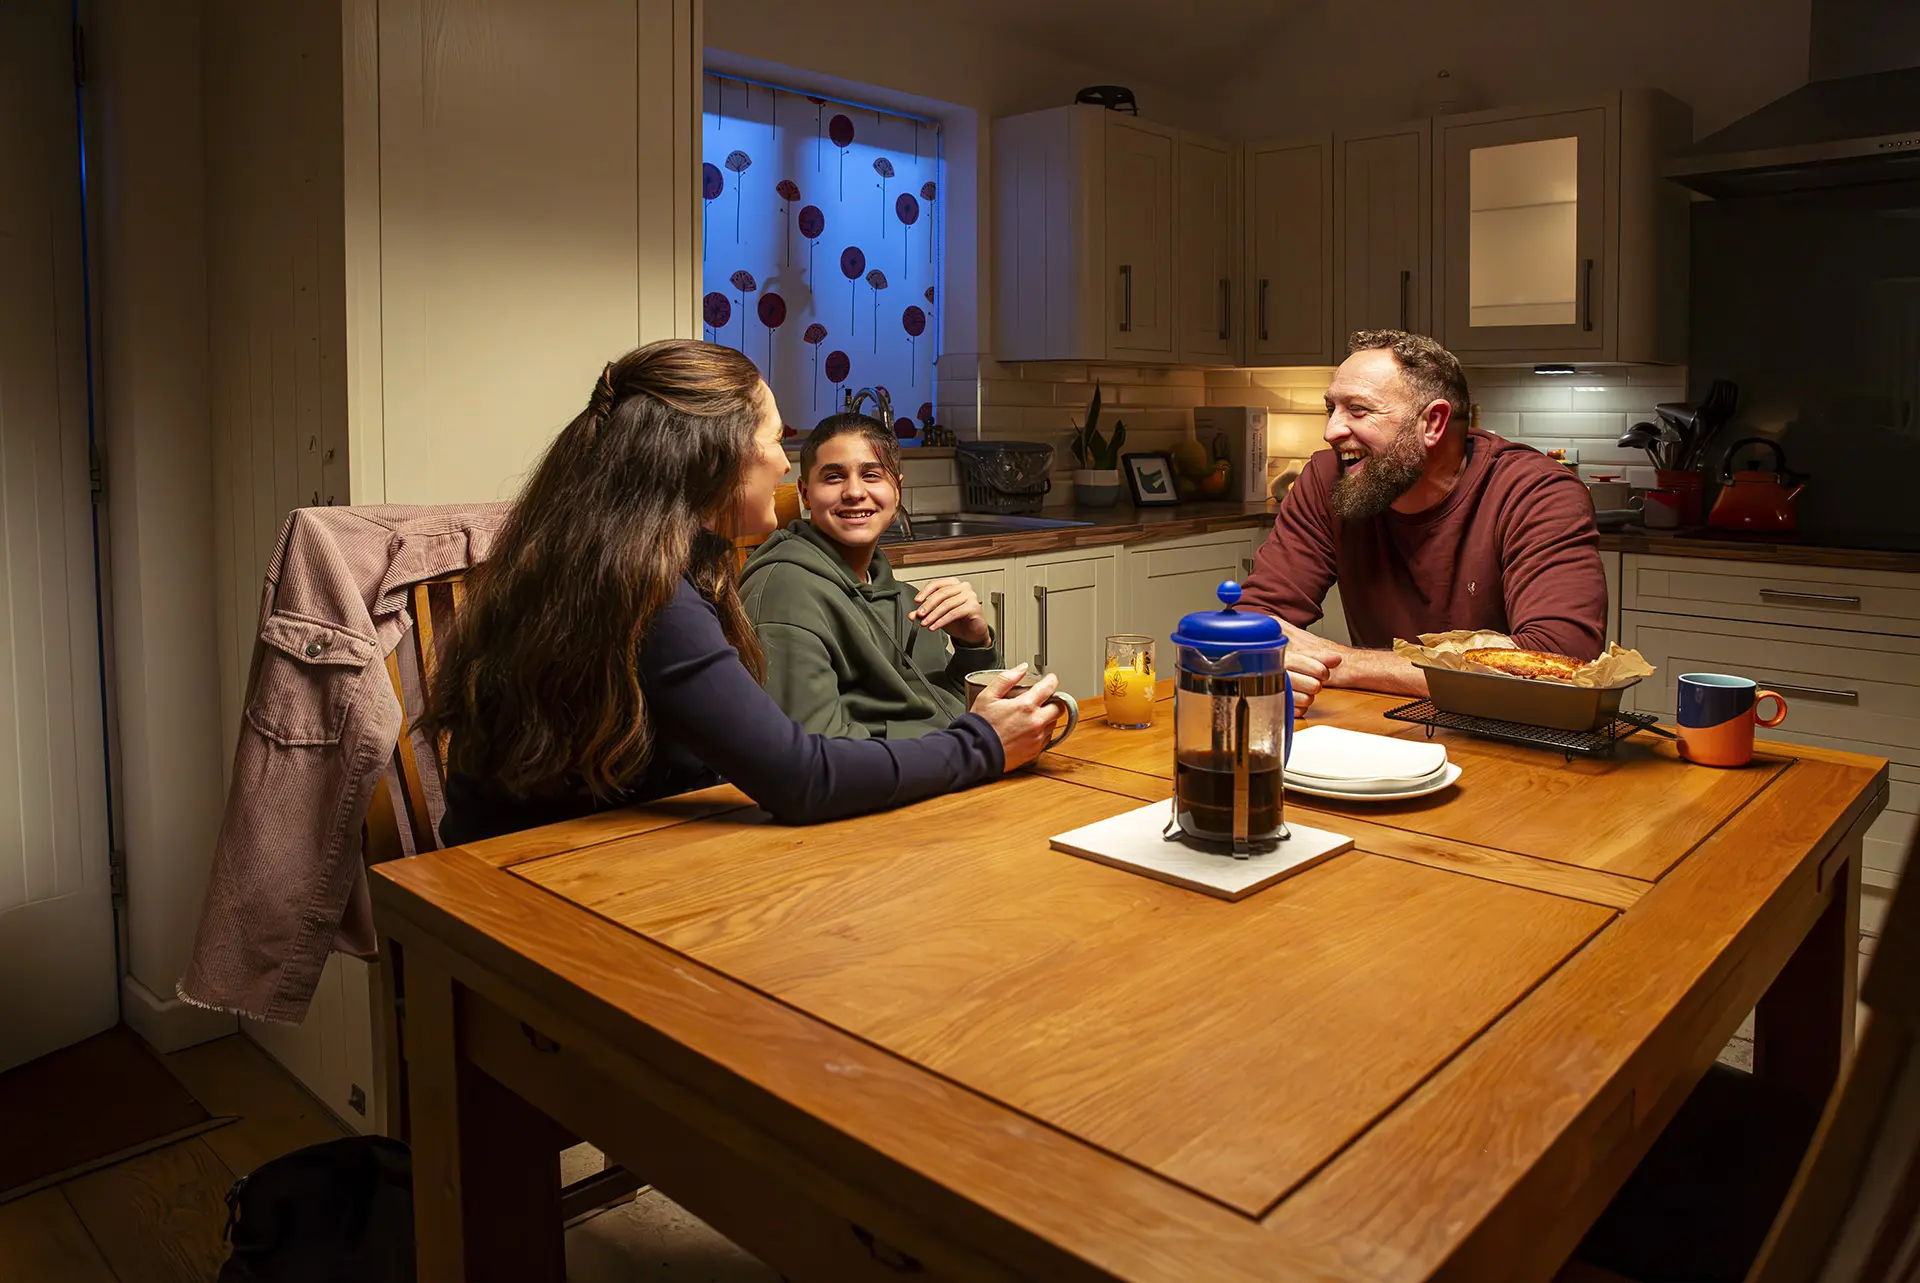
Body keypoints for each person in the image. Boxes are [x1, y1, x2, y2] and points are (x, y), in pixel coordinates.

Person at [426, 341, 1061, 845]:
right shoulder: (653, 595)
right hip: (533, 888)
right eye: (772, 440)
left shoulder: (619, 561)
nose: (784, 464)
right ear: (715, 454)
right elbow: (800, 776)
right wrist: (981, 745)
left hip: (603, 852)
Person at [1240, 329, 1606, 713]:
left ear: (1433, 422)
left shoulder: (1536, 492)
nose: (1331, 430)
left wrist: (1342, 663)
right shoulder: (1329, 478)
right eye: (1331, 408)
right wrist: (1270, 655)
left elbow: (1561, 660)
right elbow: (1256, 620)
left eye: (1359, 410)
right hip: (1381, 728)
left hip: (1513, 735)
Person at [741, 413, 999, 740]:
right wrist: (961, 744)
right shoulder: (786, 594)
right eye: (833, 477)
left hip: (950, 770)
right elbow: (813, 751)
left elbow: (940, 705)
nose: (854, 491)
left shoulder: (907, 600)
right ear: (805, 494)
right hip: (891, 782)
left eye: (871, 475)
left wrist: (974, 646)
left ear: (897, 490)